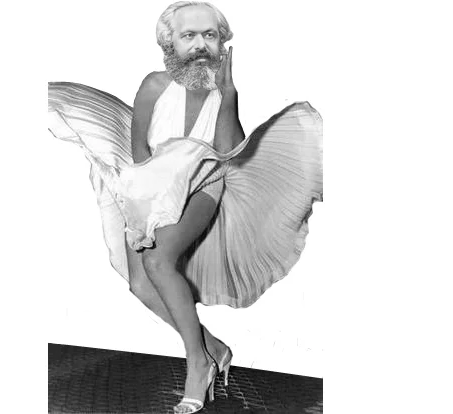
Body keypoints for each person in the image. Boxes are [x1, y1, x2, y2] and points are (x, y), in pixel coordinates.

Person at [48, 2, 323, 413]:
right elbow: (139, 151)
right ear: (170, 43)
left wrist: (228, 96)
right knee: (141, 285)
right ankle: (212, 347)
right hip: (147, 187)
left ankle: (198, 364)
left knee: (158, 263)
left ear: (222, 44)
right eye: (188, 36)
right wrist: (145, 209)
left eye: (209, 35)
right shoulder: (155, 85)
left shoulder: (222, 94)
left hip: (204, 185)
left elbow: (231, 152)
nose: (199, 45)